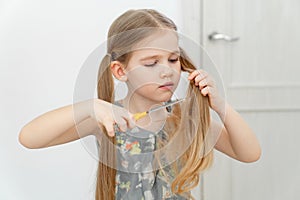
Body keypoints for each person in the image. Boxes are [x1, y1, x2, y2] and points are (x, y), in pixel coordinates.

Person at [18, 9, 261, 200]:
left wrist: (220, 105)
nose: (167, 71)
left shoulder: (184, 119)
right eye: (151, 63)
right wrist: (90, 106)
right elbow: (29, 138)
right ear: (121, 70)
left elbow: (249, 153)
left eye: (173, 59)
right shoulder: (107, 119)